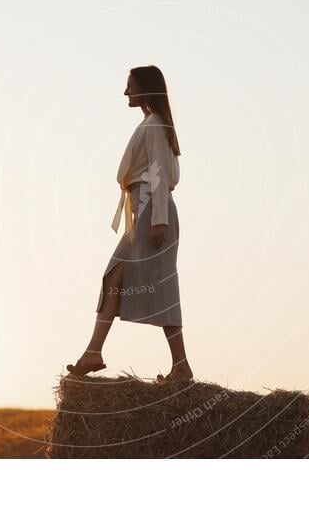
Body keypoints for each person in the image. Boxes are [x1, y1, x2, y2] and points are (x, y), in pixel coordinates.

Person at [66, 65, 193, 383]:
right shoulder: (151, 124)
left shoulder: (153, 125)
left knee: (153, 283)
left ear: (144, 88)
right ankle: (95, 351)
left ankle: (181, 366)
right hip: (144, 213)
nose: (126, 93)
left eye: (130, 86)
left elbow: (161, 173)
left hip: (153, 212)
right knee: (116, 277)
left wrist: (159, 220)